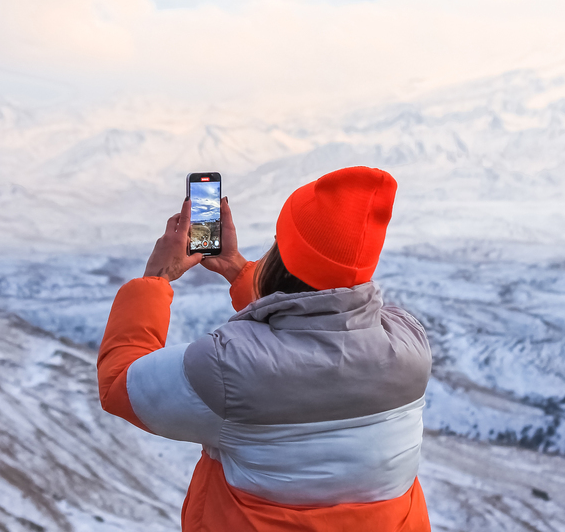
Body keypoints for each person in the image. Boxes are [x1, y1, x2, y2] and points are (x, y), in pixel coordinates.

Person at [97, 166, 432, 531]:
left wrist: (156, 278)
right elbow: (324, 317)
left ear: (283, 256)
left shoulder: (229, 366)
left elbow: (120, 385)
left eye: (278, 241)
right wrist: (237, 270)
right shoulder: (408, 344)